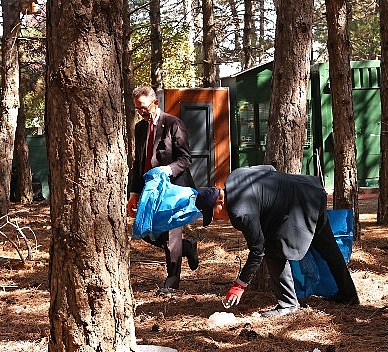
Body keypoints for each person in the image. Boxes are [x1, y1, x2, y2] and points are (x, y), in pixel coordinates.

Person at [195, 165, 359, 317]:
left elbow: (258, 250)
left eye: (213, 214)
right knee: (328, 248)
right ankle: (349, 295)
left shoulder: (240, 212)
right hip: (311, 192)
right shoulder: (235, 177)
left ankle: (288, 304)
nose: (215, 220)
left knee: (273, 251)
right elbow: (269, 168)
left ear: (220, 202)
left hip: (299, 206)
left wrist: (240, 284)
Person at [126, 86, 198, 295]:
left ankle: (172, 281)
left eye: (144, 108)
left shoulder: (174, 124)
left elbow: (186, 159)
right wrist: (134, 193)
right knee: (145, 230)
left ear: (155, 103)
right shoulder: (140, 128)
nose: (141, 112)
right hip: (150, 189)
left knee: (171, 235)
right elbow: (139, 163)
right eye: (137, 109)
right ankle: (187, 247)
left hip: (174, 188)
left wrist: (167, 169)